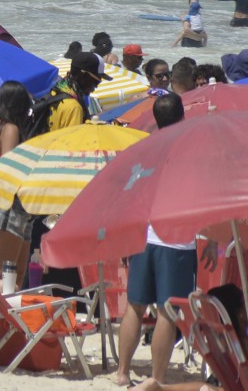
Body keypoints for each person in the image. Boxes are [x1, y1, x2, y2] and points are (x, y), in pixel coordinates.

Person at [117, 93, 198, 387]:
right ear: (183, 117)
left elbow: (132, 192)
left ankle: (122, 372)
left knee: (134, 306)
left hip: (143, 236)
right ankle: (157, 379)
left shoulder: (144, 148)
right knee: (167, 310)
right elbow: (196, 197)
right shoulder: (188, 150)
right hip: (175, 240)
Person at [0, 81, 36, 289]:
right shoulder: (11, 128)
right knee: (2, 277)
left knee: (14, 277)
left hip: (2, 206)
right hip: (10, 207)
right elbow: (9, 169)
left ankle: (2, 321)